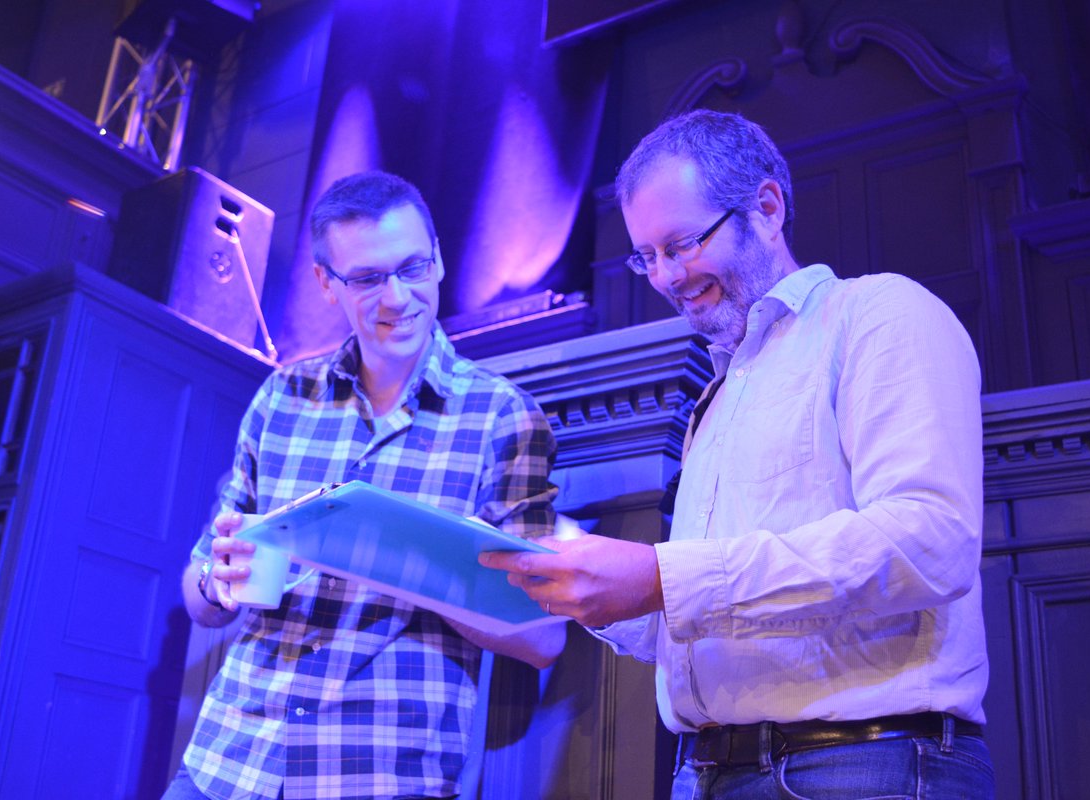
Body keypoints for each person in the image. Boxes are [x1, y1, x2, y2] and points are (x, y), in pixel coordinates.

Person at [480, 109, 994, 798]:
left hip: (861, 765)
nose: (663, 276)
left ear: (768, 207)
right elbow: (720, 614)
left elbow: (930, 541)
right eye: (647, 255)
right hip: (713, 770)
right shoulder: (718, 395)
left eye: (683, 243)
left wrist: (663, 578)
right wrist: (572, 572)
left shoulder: (879, 315)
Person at [164, 171, 565, 800]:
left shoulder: (503, 418)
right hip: (228, 762)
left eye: (412, 268)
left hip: (378, 775)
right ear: (327, 284)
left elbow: (545, 634)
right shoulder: (282, 397)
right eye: (369, 278)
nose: (398, 297)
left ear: (437, 260)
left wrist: (399, 564)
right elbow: (198, 595)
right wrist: (221, 580)